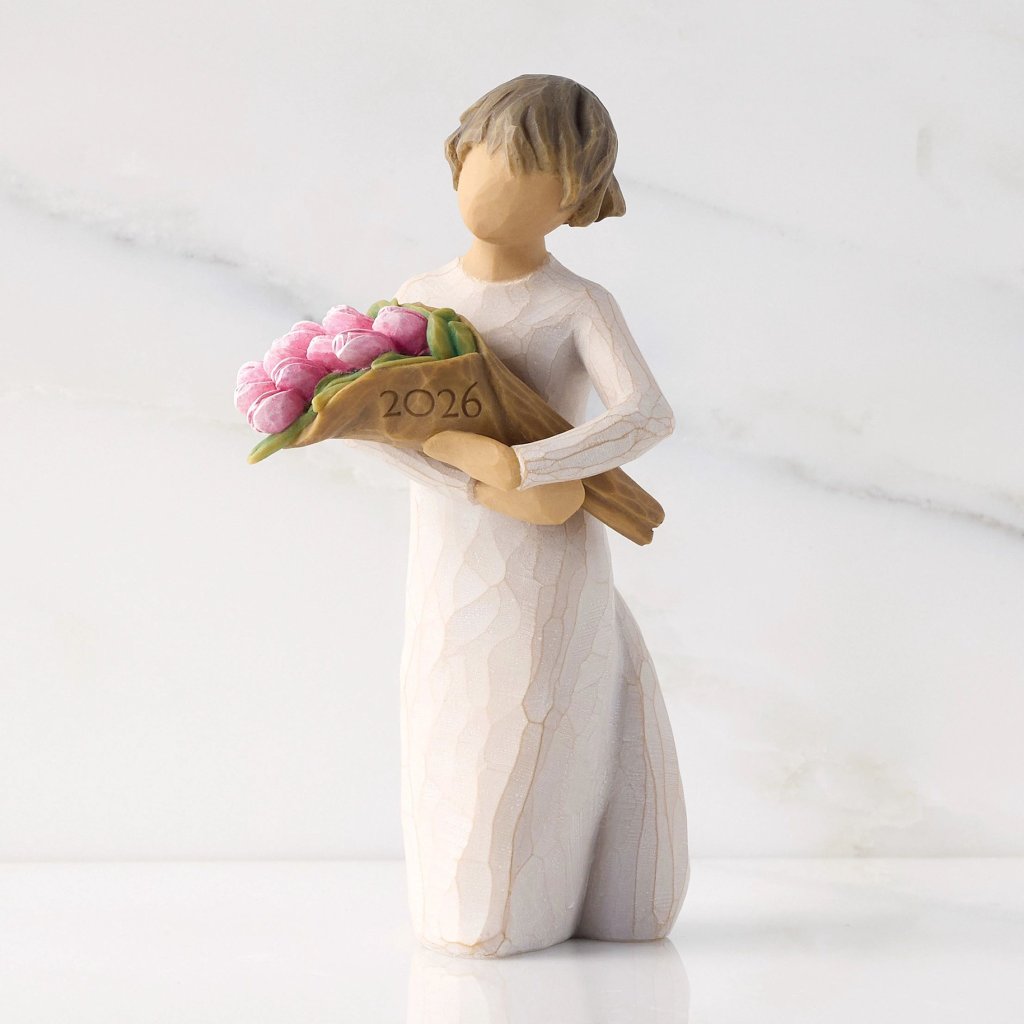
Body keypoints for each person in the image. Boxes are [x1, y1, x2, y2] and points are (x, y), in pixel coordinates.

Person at [344, 74, 688, 957]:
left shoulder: (576, 304)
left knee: (542, 713)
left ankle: (543, 906)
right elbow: (375, 422)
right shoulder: (420, 297)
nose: (495, 183)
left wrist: (529, 466)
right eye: (485, 159)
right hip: (449, 550)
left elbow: (646, 414)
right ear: (457, 159)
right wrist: (475, 484)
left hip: (550, 560)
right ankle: (470, 914)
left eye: (528, 172)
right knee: (449, 710)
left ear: (571, 197)